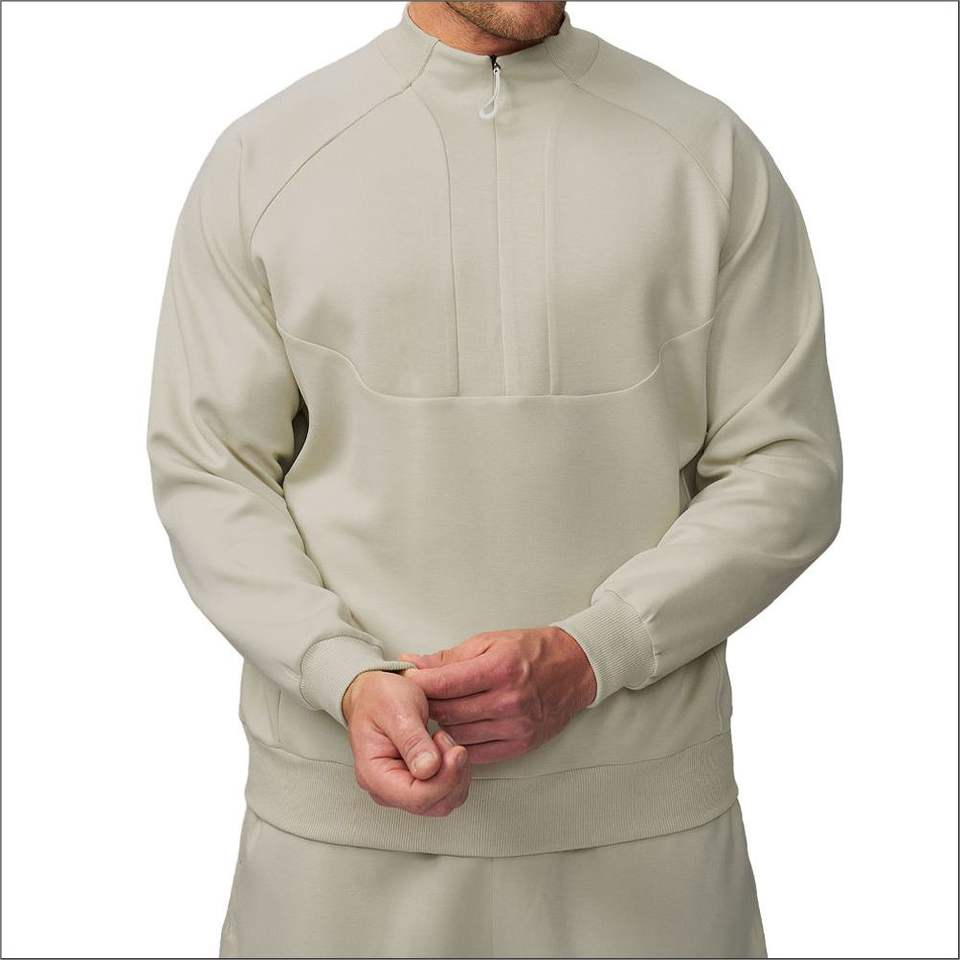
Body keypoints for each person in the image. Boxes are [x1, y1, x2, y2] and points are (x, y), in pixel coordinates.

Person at [146, 1, 842, 956]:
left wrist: (594, 652)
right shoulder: (265, 161)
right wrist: (345, 677)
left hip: (647, 850)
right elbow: (209, 470)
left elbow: (788, 463)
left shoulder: (709, 154)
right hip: (338, 849)